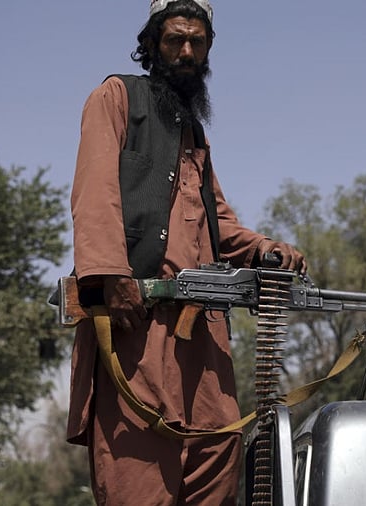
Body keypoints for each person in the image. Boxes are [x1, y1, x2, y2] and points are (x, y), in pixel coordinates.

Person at [66, 1, 306, 504]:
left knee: (218, 458)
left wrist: (265, 251)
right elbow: (95, 193)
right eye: (176, 39)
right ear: (152, 43)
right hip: (137, 327)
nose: (187, 51)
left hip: (204, 340)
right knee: (139, 477)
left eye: (198, 42)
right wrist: (111, 276)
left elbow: (219, 220)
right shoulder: (116, 98)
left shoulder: (193, 133)